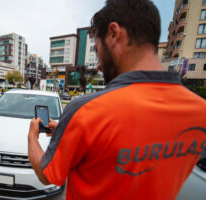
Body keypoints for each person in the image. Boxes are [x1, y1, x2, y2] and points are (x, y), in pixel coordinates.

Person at [28, 0, 206, 199]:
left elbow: (47, 175)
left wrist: (32, 137)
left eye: (97, 49)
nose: (99, 65)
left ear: (113, 34)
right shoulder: (200, 111)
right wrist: (69, 130)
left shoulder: (86, 110)